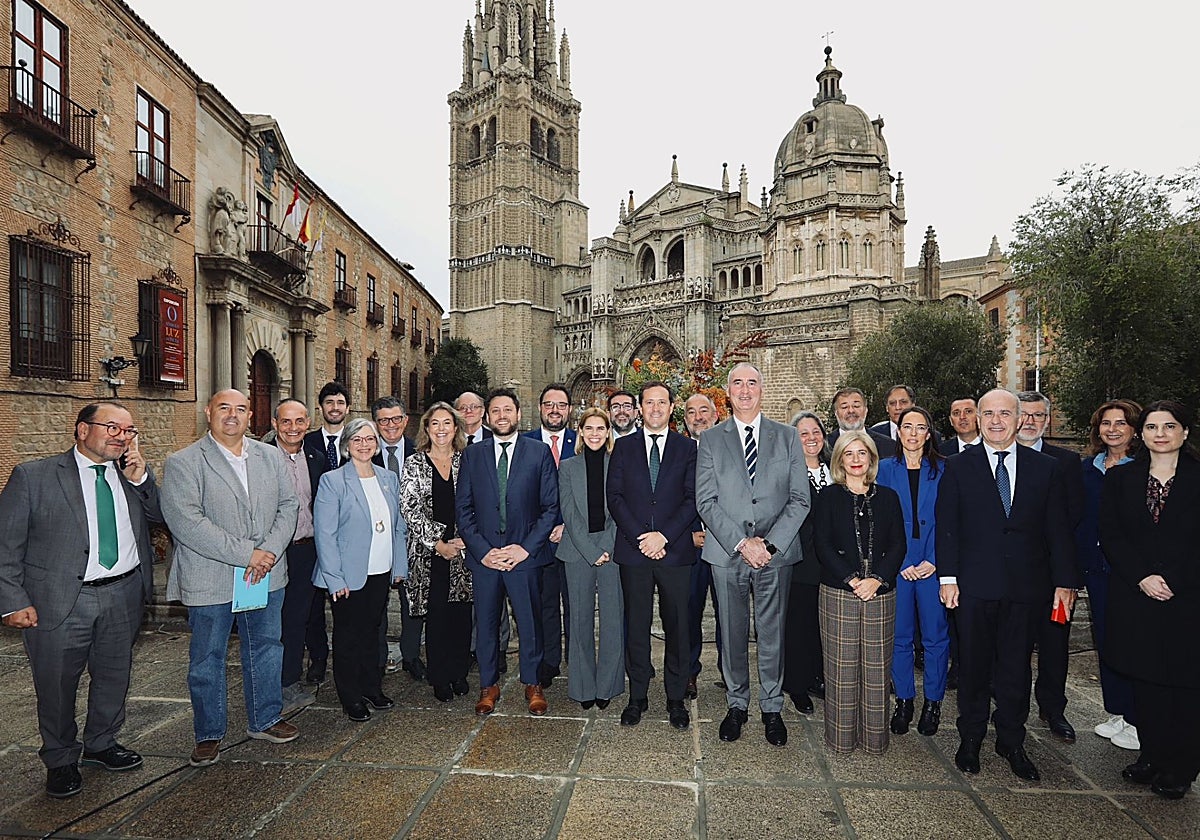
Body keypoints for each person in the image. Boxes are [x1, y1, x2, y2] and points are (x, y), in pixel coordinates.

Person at [0, 402, 162, 798]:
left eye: (127, 430)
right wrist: (11, 600)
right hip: (60, 600)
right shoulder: (34, 476)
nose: (120, 436)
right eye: (111, 427)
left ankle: (102, 743)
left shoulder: (131, 476)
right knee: (56, 685)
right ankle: (59, 759)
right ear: (81, 430)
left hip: (123, 593)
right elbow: (6, 543)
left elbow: (160, 517)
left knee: (113, 677)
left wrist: (141, 481)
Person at [937, 389, 1076, 783]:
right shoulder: (958, 467)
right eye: (988, 414)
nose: (996, 420)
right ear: (978, 419)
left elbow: (1058, 531)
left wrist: (1065, 581)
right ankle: (971, 737)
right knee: (974, 667)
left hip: (1027, 587)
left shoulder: (1045, 468)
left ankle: (1012, 740)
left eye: (1004, 413)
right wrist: (948, 578)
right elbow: (948, 528)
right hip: (974, 587)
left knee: (1016, 669)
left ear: (1020, 420)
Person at [162, 389, 301, 768]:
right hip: (211, 577)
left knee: (266, 647)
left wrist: (267, 552)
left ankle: (266, 718)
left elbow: (289, 506)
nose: (232, 415)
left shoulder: (270, 456)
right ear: (208, 413)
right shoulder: (184, 462)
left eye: (241, 409)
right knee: (208, 657)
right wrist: (248, 554)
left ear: (250, 416)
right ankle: (208, 732)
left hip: (265, 576)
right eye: (224, 408)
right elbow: (188, 523)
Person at [697, 363, 810, 747]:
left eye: (752, 383)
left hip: (775, 555)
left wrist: (769, 544)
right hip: (727, 554)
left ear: (763, 389)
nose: (745, 390)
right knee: (730, 633)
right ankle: (737, 704)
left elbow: (799, 499)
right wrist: (742, 543)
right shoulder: (711, 440)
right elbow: (706, 501)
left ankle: (772, 707)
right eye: (738, 383)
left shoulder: (788, 437)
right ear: (727, 392)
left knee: (772, 634)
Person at [1100, 400, 1200, 800]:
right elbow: (1111, 534)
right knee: (1147, 681)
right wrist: (1142, 576)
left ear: (1185, 432)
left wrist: (1173, 579)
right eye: (1153, 427)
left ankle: (1182, 766)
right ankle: (1153, 755)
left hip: (1187, 597)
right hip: (1136, 595)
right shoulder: (1121, 480)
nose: (1161, 433)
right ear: (1141, 434)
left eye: (1169, 426)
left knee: (1184, 683)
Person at [456, 388, 558, 716]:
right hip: (486, 559)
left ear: (518, 414)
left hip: (524, 558)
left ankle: (532, 682)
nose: (502, 416)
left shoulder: (538, 452)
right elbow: (464, 509)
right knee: (485, 623)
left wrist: (525, 549)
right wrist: (483, 551)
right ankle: (489, 684)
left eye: (507, 411)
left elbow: (550, 508)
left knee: (529, 622)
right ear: (487, 417)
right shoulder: (473, 455)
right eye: (496, 411)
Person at [608, 382, 697, 729]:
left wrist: (665, 536)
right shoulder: (624, 447)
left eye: (662, 402)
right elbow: (614, 497)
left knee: (678, 626)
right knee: (636, 626)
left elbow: (692, 498)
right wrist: (641, 537)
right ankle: (638, 696)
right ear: (639, 409)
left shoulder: (687, 448)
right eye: (649, 402)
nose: (655, 408)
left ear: (671, 407)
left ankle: (676, 698)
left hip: (674, 552)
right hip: (635, 551)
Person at [813, 430, 906, 754]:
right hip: (839, 593)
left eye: (861, 453)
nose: (855, 460)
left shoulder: (890, 497)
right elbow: (822, 545)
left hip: (881, 593)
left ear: (871, 458)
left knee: (877, 669)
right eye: (848, 454)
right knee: (841, 668)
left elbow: (898, 545)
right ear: (839, 459)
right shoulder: (827, 497)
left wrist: (877, 579)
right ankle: (840, 739)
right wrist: (853, 580)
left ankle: (875, 741)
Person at [313, 418, 409, 722]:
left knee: (373, 633)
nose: (365, 445)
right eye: (358, 440)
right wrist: (334, 578)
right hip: (347, 575)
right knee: (348, 637)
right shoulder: (333, 480)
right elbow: (324, 534)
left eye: (370, 439)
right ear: (347, 445)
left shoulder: (387, 478)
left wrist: (399, 564)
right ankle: (350, 696)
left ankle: (372, 687)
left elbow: (397, 527)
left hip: (380, 570)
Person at [1016, 390, 1086, 743]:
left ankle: (1053, 708)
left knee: (1055, 643)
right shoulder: (997, 459)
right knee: (1012, 645)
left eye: (1038, 416)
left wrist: (1067, 578)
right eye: (1024, 415)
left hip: (1055, 576)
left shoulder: (1066, 462)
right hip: (1011, 576)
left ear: (1048, 420)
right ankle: (1011, 708)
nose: (1030, 422)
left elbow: (1072, 520)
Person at [877, 407, 949, 737]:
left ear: (929, 434)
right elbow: (878, 521)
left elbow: (953, 522)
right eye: (907, 426)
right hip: (899, 566)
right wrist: (900, 562)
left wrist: (936, 559)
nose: (913, 433)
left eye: (921, 427)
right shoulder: (884, 470)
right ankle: (904, 699)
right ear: (898, 432)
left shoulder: (946, 470)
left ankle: (932, 703)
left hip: (934, 566)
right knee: (900, 637)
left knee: (935, 638)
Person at [1077, 399, 1141, 751]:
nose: (1113, 429)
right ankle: (1118, 710)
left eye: (1121, 423)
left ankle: (1137, 716)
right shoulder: (1088, 469)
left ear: (1134, 429)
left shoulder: (1142, 468)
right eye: (1106, 423)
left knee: (1132, 642)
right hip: (1095, 567)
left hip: (1129, 571)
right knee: (1106, 639)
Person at [400, 403, 473, 702]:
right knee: (437, 616)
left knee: (461, 614)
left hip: (464, 551)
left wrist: (464, 539)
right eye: (435, 424)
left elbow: (479, 503)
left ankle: (459, 673)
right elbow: (409, 507)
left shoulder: (467, 461)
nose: (441, 429)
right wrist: (439, 544)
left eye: (447, 423)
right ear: (426, 429)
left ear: (456, 428)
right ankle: (440, 676)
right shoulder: (414, 464)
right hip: (429, 554)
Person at [559, 407, 624, 710]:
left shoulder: (618, 464)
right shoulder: (568, 467)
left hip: (612, 550)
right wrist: (590, 550)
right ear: (581, 432)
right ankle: (583, 687)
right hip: (577, 549)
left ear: (608, 433)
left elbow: (622, 509)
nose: (595, 434)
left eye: (601, 429)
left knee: (613, 619)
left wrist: (606, 547)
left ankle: (608, 686)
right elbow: (569, 514)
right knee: (580, 619)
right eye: (590, 429)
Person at [270, 398, 327, 715]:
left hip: (306, 551)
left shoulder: (316, 458)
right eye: (286, 421)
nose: (293, 428)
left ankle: (288, 682)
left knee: (296, 621)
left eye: (300, 421)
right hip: (272, 554)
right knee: (268, 623)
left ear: (308, 423)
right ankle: (268, 684)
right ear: (275, 424)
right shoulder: (261, 459)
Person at [523, 383, 576, 688]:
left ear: (569, 410)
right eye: (549, 404)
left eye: (561, 405)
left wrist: (568, 526)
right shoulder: (526, 443)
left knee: (576, 605)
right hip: (538, 542)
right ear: (540, 408)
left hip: (573, 538)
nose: (555, 410)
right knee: (543, 606)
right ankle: (548, 662)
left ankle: (577, 663)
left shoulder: (580, 441)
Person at [371, 396, 424, 682]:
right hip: (376, 540)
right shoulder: (364, 452)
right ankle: (378, 658)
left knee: (412, 602)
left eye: (396, 419)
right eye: (383, 420)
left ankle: (411, 656)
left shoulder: (420, 452)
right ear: (376, 423)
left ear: (405, 420)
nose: (390, 426)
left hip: (414, 540)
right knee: (377, 602)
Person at [783, 410, 832, 714]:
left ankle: (818, 676)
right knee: (798, 626)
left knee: (822, 626)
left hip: (831, 564)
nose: (811, 438)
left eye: (816, 432)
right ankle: (796, 685)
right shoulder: (788, 473)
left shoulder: (836, 471)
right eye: (803, 433)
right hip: (800, 561)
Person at [683, 392, 722, 698]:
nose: (699, 416)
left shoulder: (731, 449)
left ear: (716, 415)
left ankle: (731, 673)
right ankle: (689, 673)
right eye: (692, 412)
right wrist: (687, 536)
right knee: (689, 613)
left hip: (726, 548)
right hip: (692, 548)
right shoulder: (680, 453)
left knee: (729, 616)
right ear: (685, 420)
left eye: (704, 411)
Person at [828, 387, 895, 458]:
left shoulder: (888, 445)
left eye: (856, 406)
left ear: (866, 410)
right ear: (836, 413)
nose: (851, 411)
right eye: (844, 407)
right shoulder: (825, 445)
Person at [306, 381, 351, 471]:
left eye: (340, 403)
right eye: (329, 402)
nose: (335, 407)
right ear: (320, 408)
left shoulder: (356, 441)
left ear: (347, 409)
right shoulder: (306, 442)